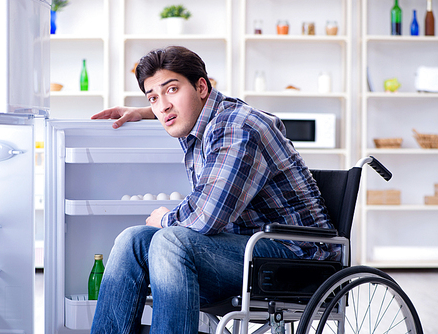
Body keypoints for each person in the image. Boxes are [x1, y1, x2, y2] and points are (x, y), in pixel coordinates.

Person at [89, 46, 341, 334]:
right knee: (132, 240)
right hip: (249, 249)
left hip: (297, 258)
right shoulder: (206, 119)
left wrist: (165, 219)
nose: (163, 106)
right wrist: (145, 111)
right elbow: (175, 105)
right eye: (154, 98)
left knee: (170, 241)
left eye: (172, 89)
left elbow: (207, 217)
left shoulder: (238, 127)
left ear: (201, 86)